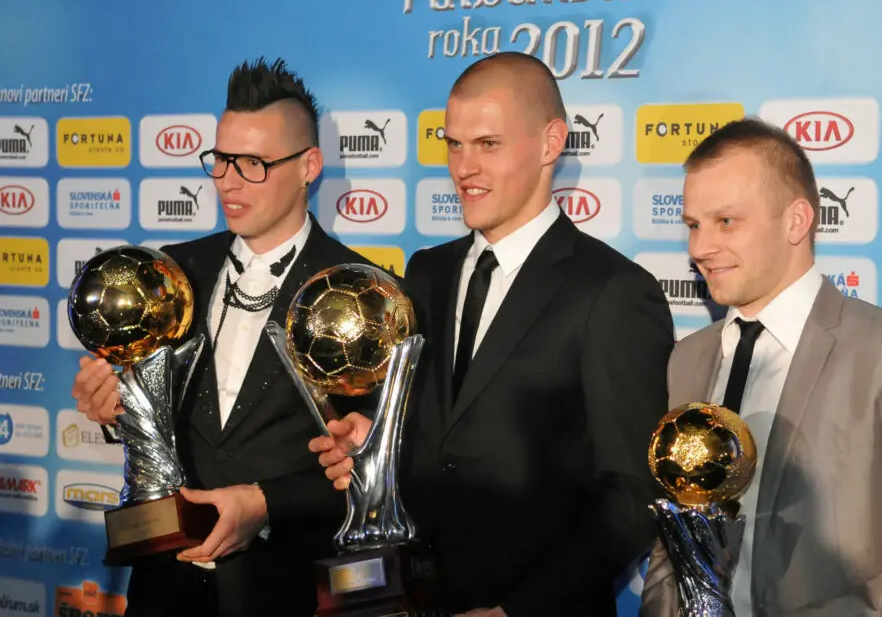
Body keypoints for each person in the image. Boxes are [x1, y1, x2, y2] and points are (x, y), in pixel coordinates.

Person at [310, 52, 675, 616]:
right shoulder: (425, 273)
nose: (464, 168)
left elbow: (633, 494)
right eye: (454, 144)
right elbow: (437, 434)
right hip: (420, 599)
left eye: (488, 144)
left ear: (551, 143)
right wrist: (376, 444)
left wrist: (516, 611)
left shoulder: (613, 291)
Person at [639, 118, 882, 616]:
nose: (699, 248)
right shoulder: (689, 357)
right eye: (694, 225)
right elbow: (675, 537)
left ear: (796, 221)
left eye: (727, 221)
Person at [70, 57, 376, 617]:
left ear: (309, 166)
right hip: (164, 590)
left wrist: (266, 504)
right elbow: (153, 423)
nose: (229, 181)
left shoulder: (363, 295)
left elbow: (373, 464)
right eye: (222, 159)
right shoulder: (170, 274)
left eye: (254, 163)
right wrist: (115, 410)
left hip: (283, 590)